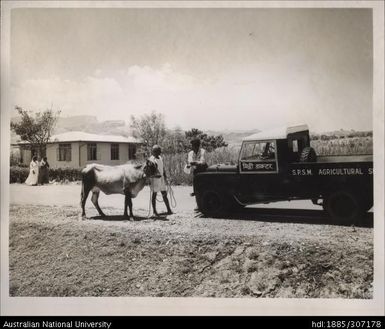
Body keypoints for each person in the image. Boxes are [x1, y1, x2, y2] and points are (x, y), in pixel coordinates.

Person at [149, 145, 173, 217]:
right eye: (157, 151)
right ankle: (154, 211)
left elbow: (163, 168)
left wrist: (165, 177)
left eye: (159, 151)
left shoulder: (160, 158)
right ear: (154, 151)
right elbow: (150, 171)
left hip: (161, 178)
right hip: (155, 179)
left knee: (164, 193)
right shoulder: (151, 159)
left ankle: (168, 209)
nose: (159, 153)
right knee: (154, 195)